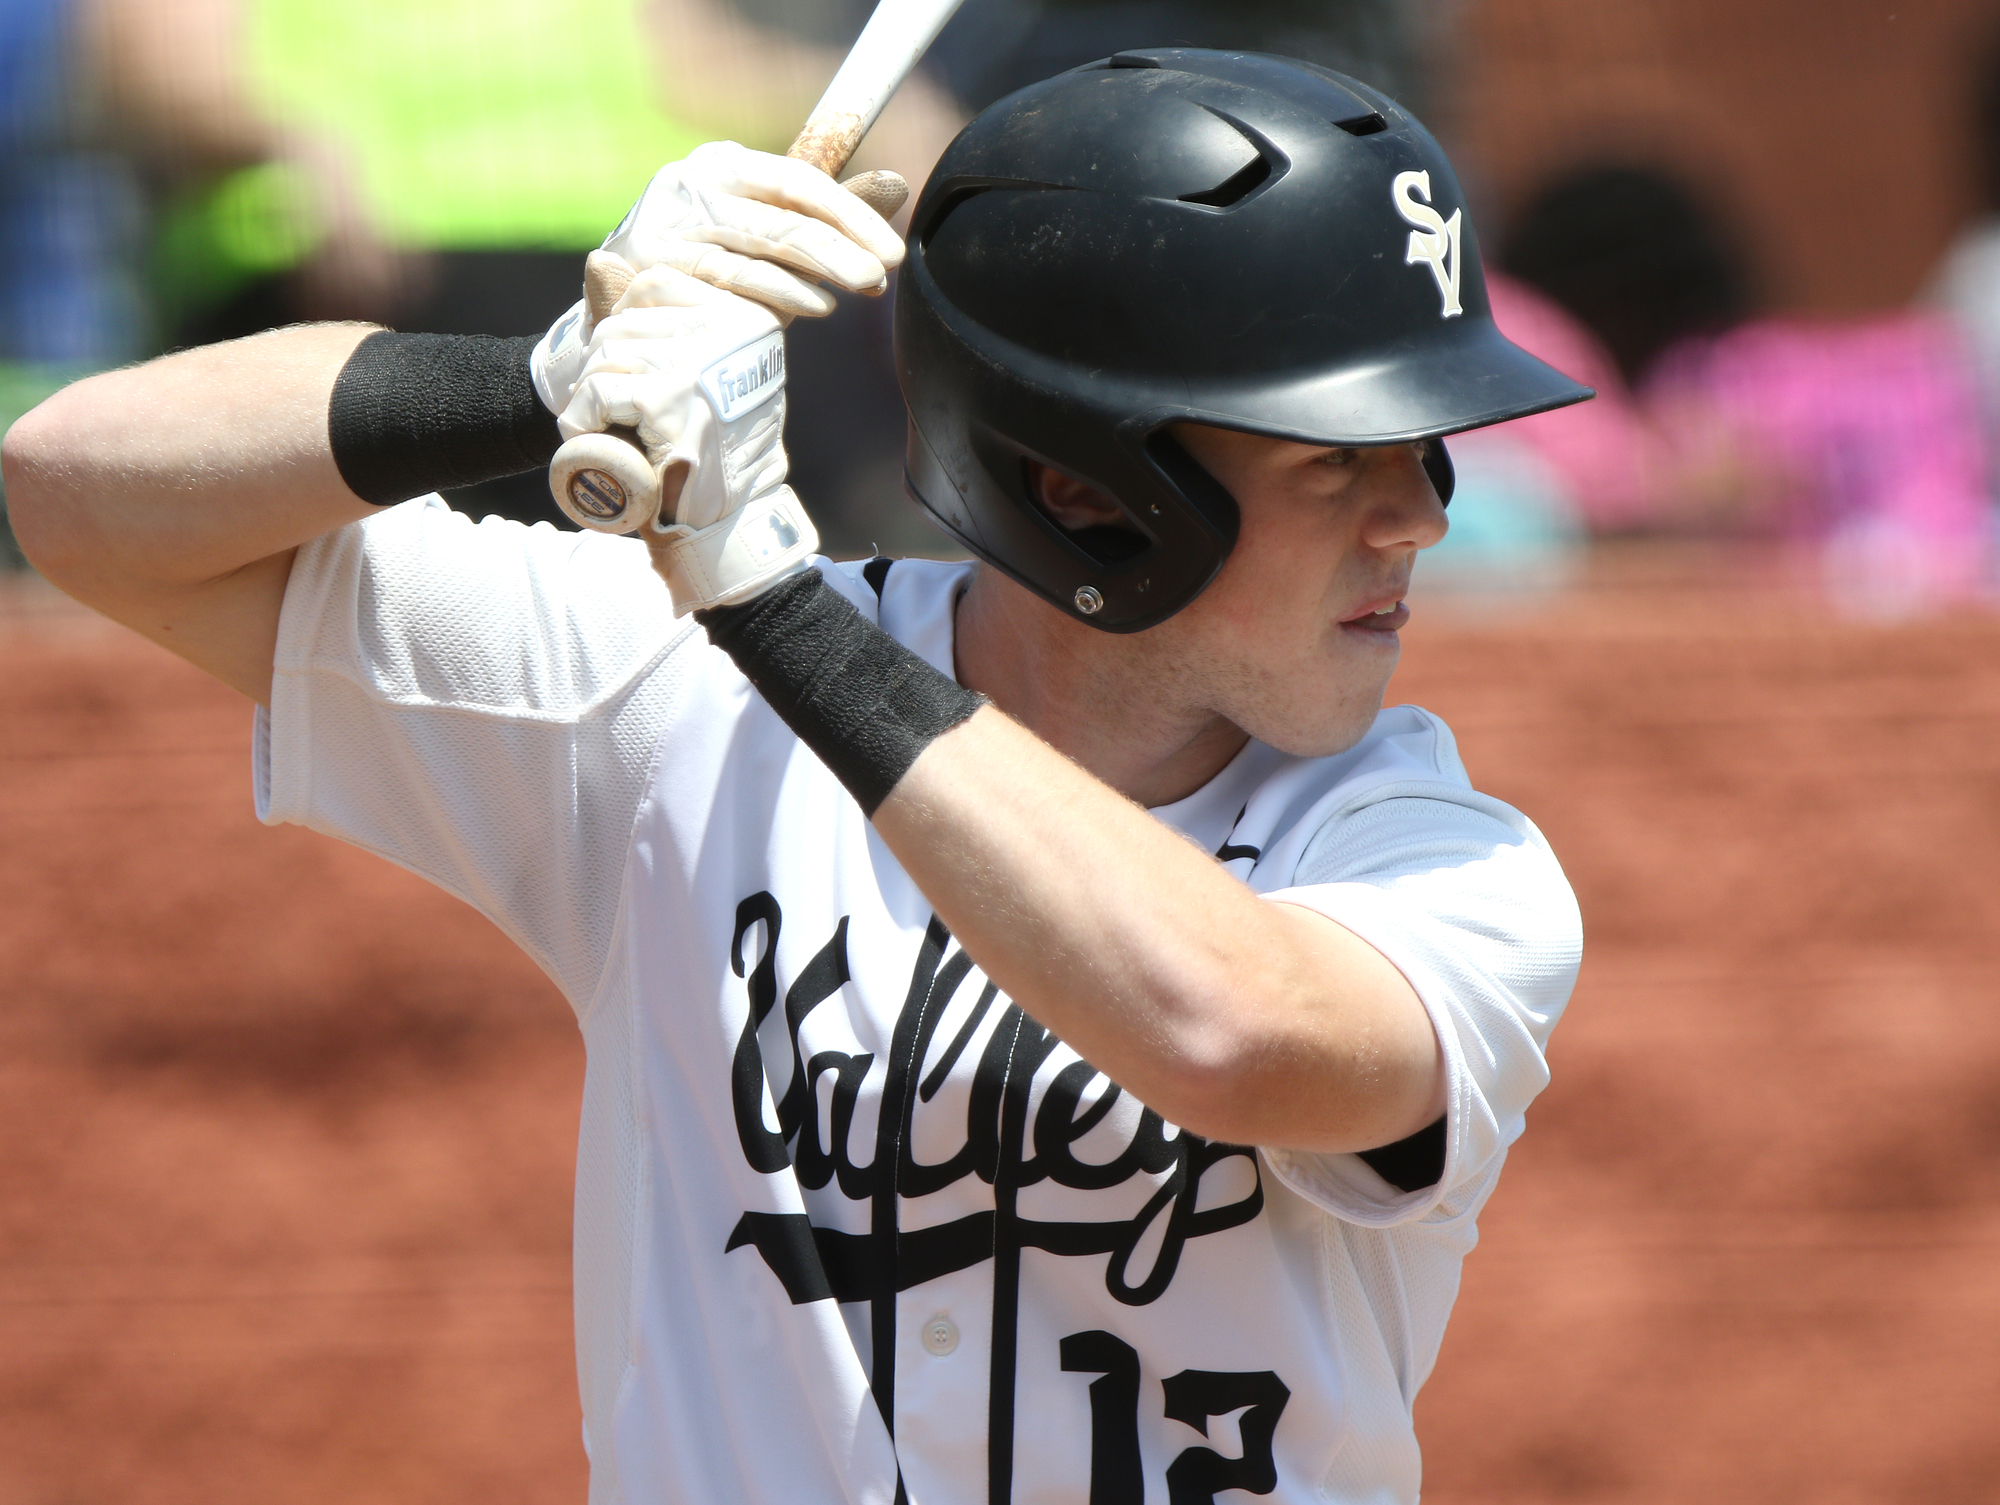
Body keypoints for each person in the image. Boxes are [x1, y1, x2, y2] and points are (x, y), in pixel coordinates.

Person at [4, 52, 1586, 1505]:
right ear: (1085, 486)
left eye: (1425, 445)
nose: (1418, 516)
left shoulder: (1434, 855)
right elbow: (75, 488)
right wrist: (552, 376)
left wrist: (760, 593)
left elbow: (1231, 1030)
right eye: (1333, 459)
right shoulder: (667, 691)